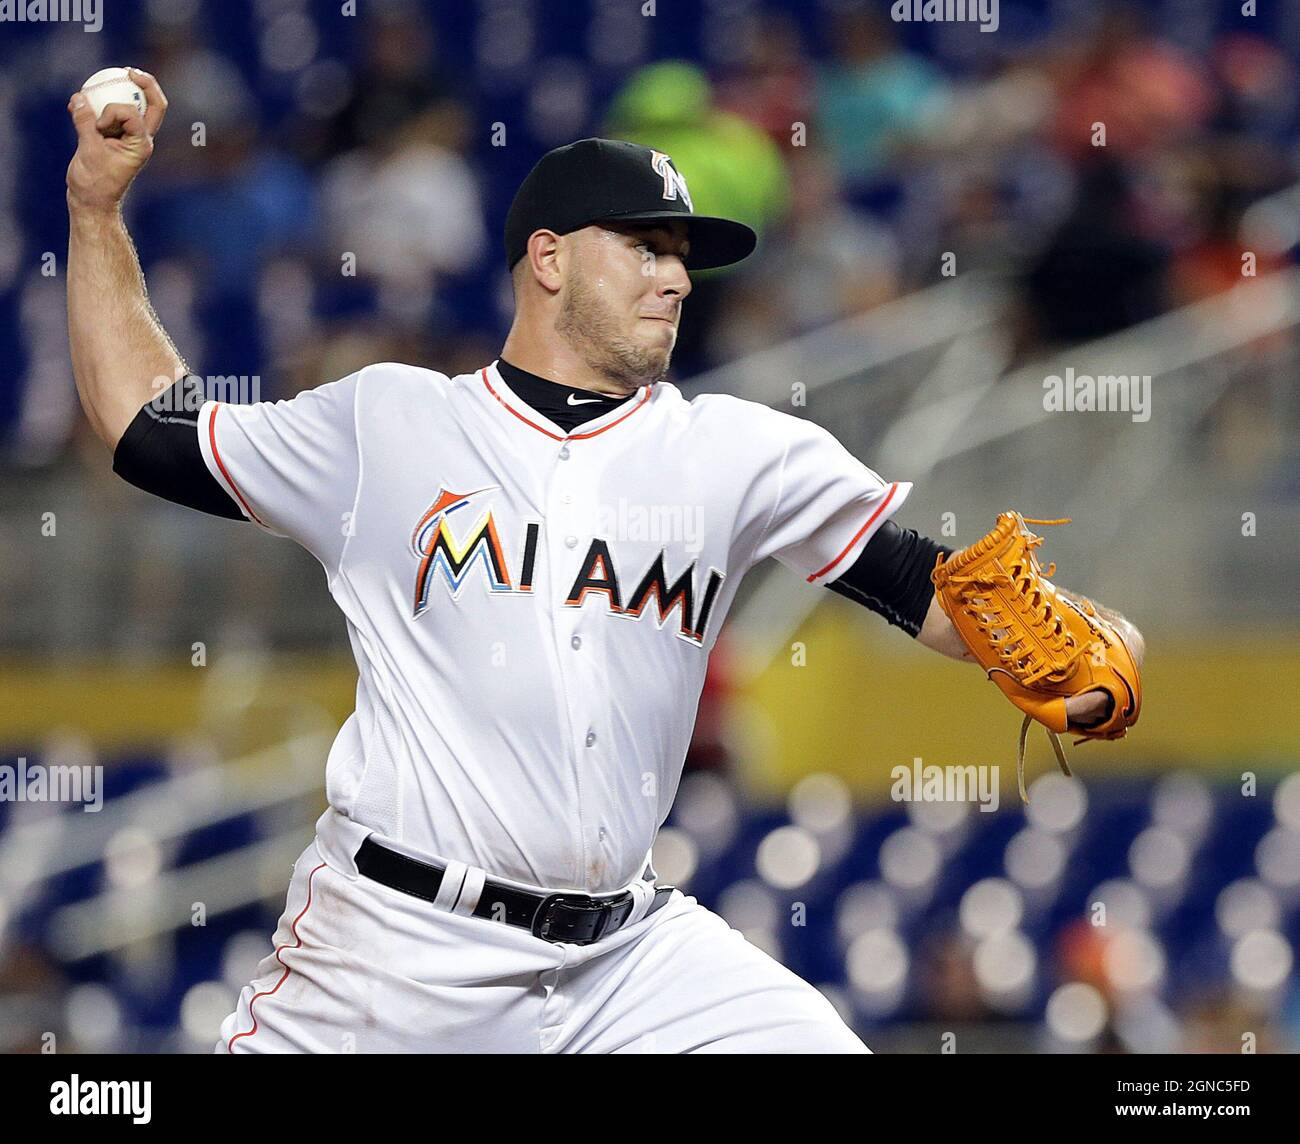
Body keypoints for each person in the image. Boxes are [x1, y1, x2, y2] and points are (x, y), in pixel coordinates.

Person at [64, 72, 1141, 1053]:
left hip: (625, 954)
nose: (675, 277)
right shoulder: (390, 423)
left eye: (682, 256)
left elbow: (936, 589)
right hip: (391, 953)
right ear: (547, 257)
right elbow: (144, 426)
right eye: (644, 246)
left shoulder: (732, 448)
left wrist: (1088, 638)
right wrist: (97, 210)